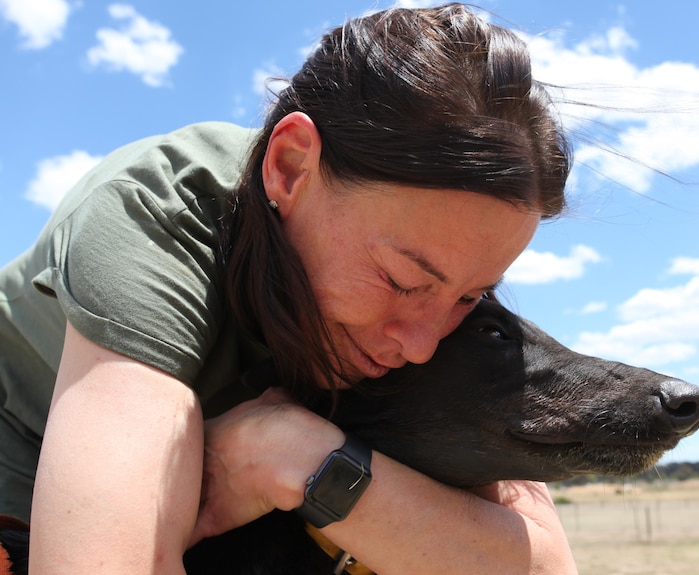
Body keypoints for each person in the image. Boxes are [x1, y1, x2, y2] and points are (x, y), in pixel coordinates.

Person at [0, 3, 577, 573]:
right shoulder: (159, 215)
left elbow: (545, 565)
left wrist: (295, 458)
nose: (423, 346)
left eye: (470, 296)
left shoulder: (439, 261)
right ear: (291, 166)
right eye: (401, 281)